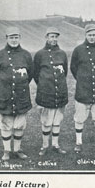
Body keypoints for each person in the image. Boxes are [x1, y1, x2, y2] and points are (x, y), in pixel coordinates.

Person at [0, 26, 34, 160]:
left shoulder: (26, 55)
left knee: (20, 123)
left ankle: (17, 149)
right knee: (6, 123)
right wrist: (5, 86)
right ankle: (7, 151)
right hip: (5, 95)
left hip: (21, 95)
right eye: (11, 37)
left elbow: (30, 74)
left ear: (20, 38)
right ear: (6, 38)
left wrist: (20, 84)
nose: (14, 40)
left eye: (16, 37)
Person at [71, 24, 95, 152]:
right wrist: (82, 79)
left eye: (94, 35)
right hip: (83, 89)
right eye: (89, 35)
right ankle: (78, 142)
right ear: (85, 35)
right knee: (80, 117)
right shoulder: (78, 50)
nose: (92, 37)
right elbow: (73, 68)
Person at [32, 27, 69, 155]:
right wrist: (44, 85)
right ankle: (45, 145)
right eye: (51, 36)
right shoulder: (39, 54)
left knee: (57, 120)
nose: (53, 39)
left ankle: (55, 144)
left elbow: (64, 72)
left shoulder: (62, 54)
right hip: (45, 93)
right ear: (46, 37)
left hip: (60, 92)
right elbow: (35, 74)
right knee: (46, 121)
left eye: (55, 37)